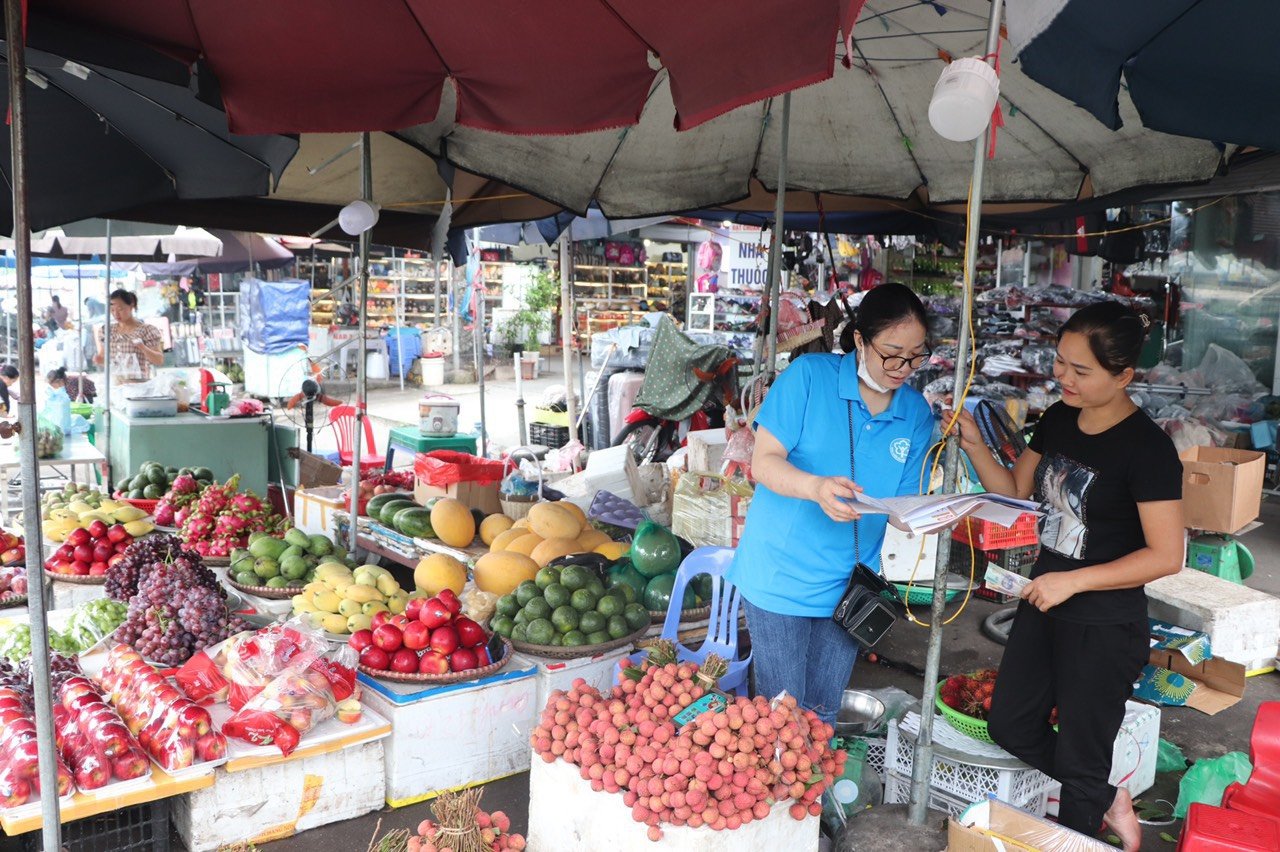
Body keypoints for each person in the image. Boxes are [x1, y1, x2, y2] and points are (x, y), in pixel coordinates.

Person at [949, 302, 1183, 852]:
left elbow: (1166, 554)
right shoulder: (1056, 419)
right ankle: (1106, 794)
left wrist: (1073, 581)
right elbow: (1013, 490)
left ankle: (1090, 810)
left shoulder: (1148, 450)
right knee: (1009, 724)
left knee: (1081, 761)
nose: (1064, 378)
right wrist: (975, 446)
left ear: (1124, 375)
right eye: (1060, 363)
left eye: (1081, 371)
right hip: (1044, 603)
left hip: (1102, 623)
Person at [725, 283, 936, 724]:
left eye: (916, 356)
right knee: (781, 721)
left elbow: (905, 501)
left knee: (820, 717)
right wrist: (816, 488)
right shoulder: (809, 378)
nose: (903, 367)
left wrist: (930, 513)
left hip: (850, 586)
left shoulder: (916, 413)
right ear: (859, 339)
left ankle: (813, 795)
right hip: (780, 577)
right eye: (892, 353)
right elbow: (763, 464)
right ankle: (782, 795)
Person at [94, 289, 164, 383]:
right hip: (115, 385)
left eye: (120, 309)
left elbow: (159, 360)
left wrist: (142, 347)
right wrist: (99, 360)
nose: (116, 314)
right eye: (112, 310)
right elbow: (104, 358)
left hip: (139, 385)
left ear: (131, 305)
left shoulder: (147, 330)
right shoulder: (106, 331)